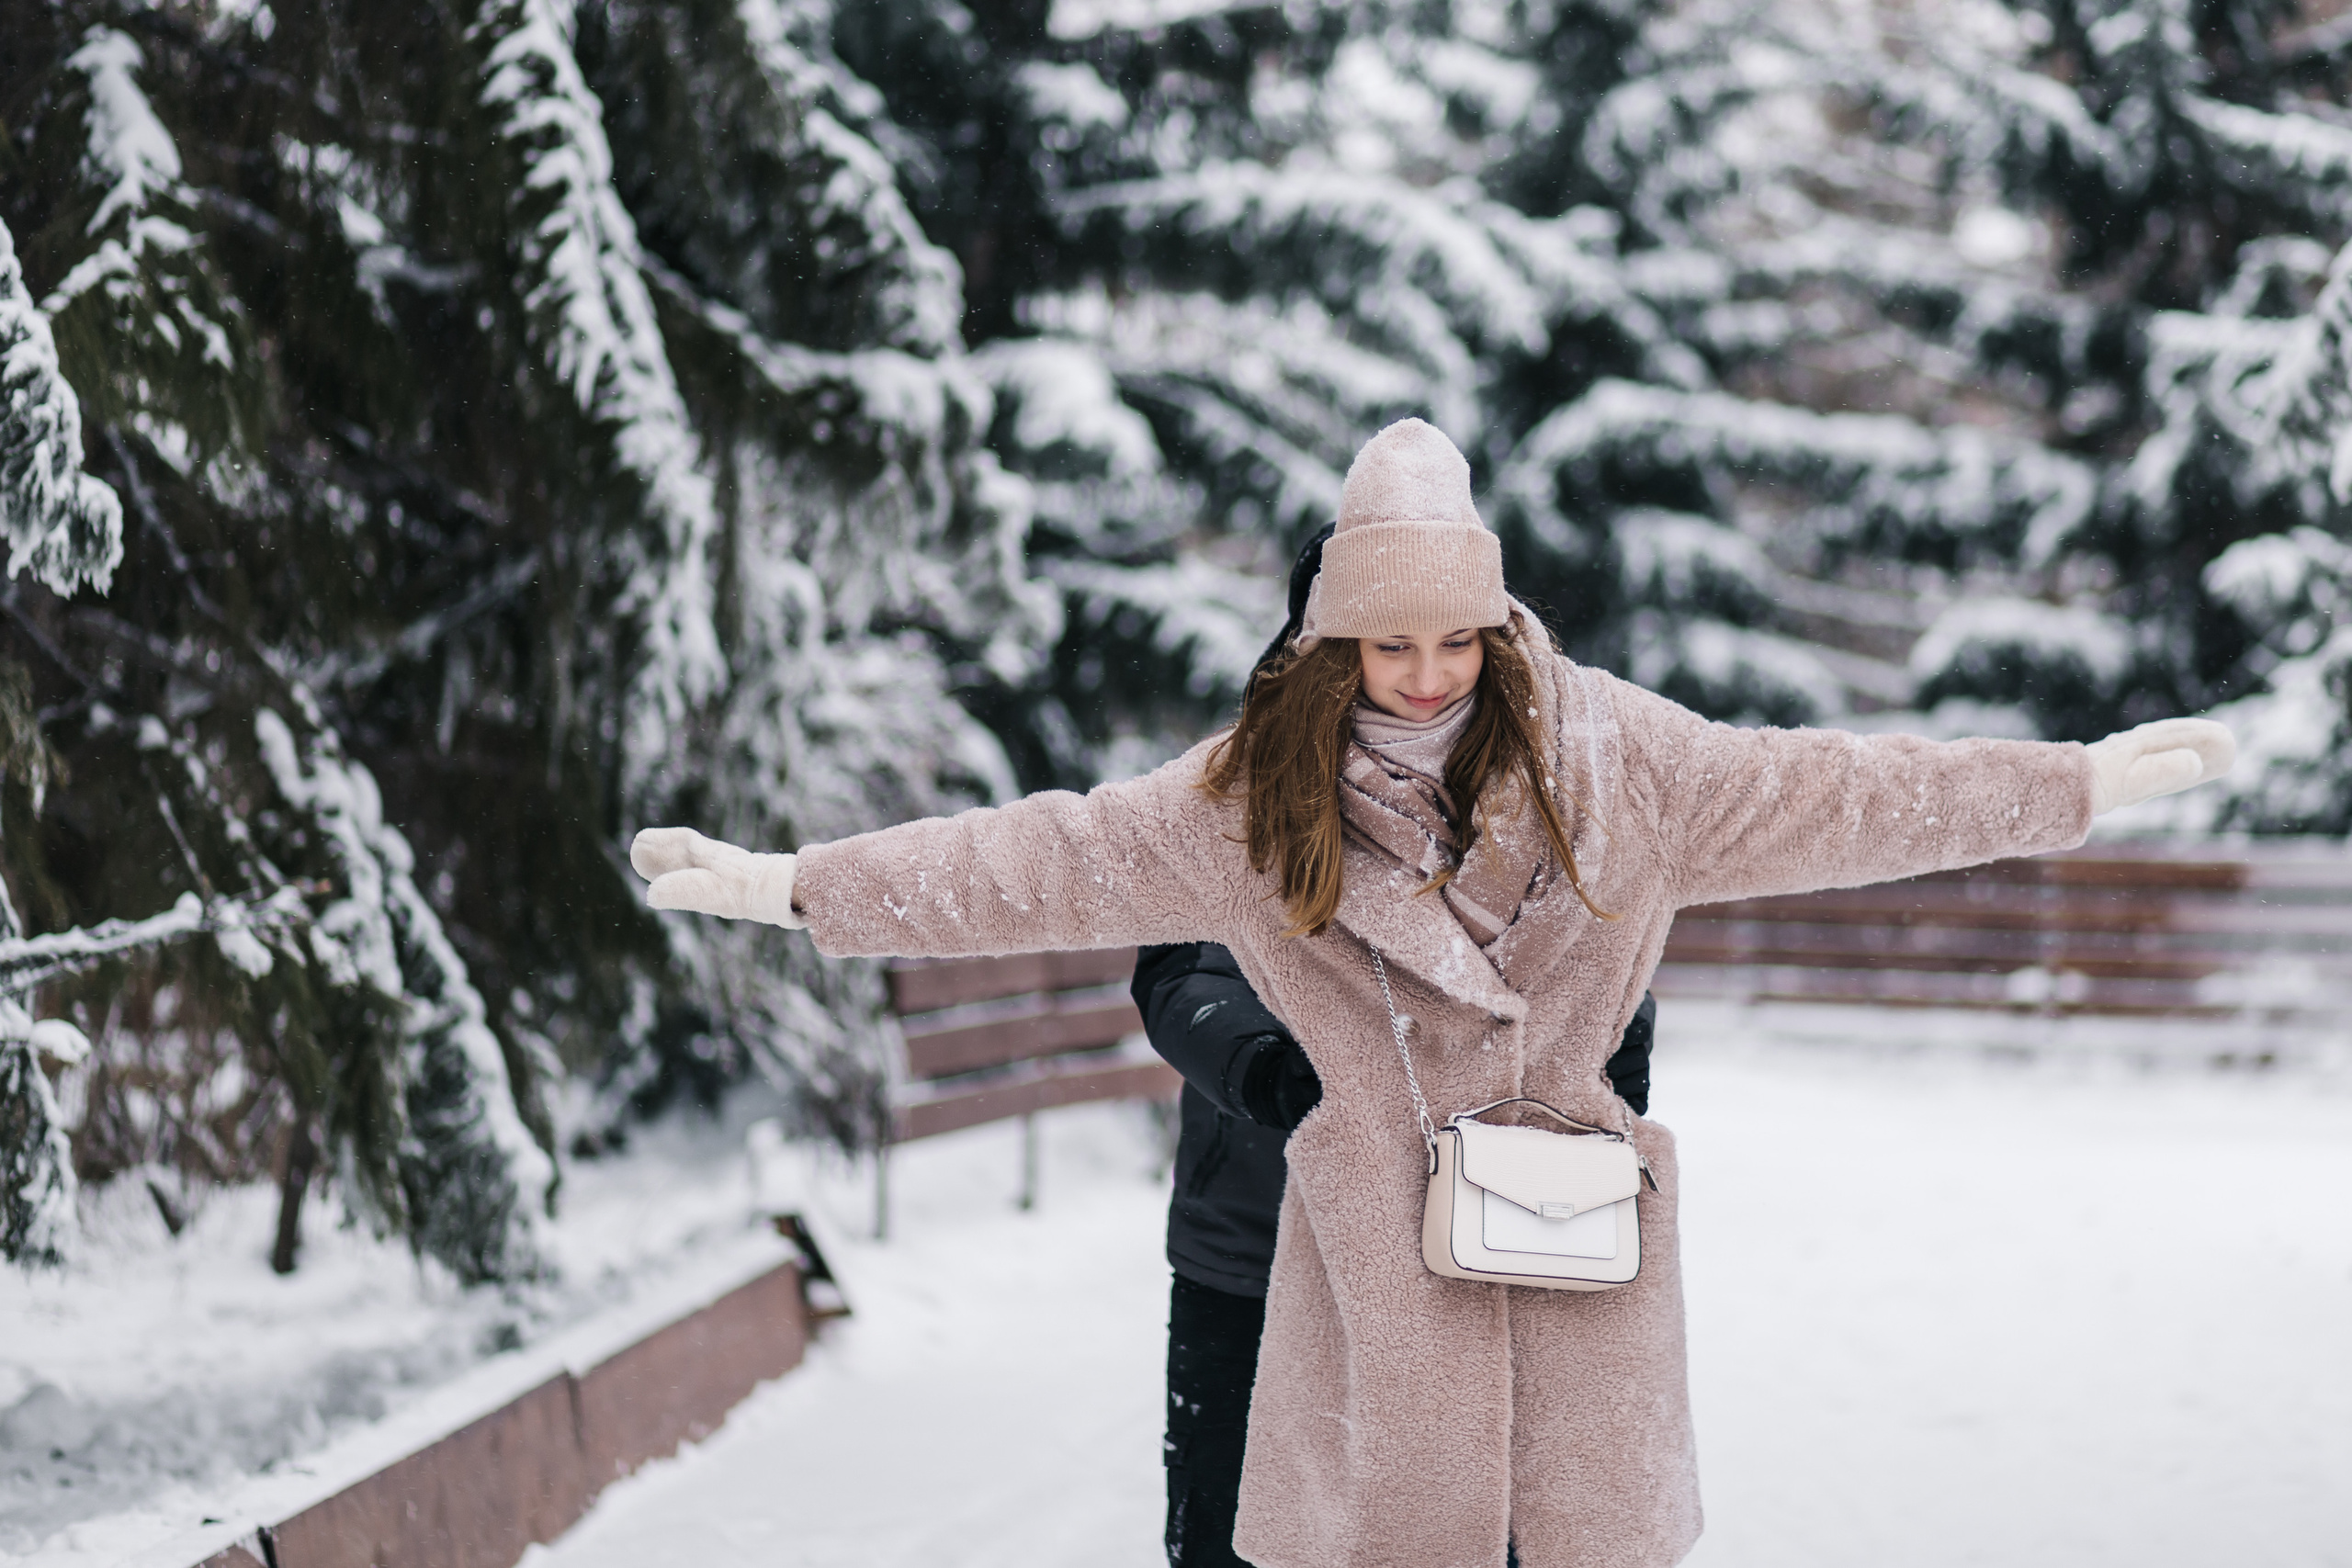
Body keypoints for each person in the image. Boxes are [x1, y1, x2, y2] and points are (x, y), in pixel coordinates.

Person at [632, 419, 2233, 1568]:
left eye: (1450, 638)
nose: (1422, 676)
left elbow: (1844, 791)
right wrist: (799, 885)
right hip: (1367, 1282)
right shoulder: (1250, 800)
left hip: (1571, 1253)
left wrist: (2068, 784)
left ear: (1492, 617)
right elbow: (1041, 860)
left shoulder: (1626, 758)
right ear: (1335, 636)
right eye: (1386, 643)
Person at [1136, 529, 1658, 1568]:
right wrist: (1276, 1073)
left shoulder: (1530, 781)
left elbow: (1602, 950)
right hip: (1259, 1240)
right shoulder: (1234, 792)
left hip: (1479, 1245)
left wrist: (1599, 1076)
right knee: (1236, 1536)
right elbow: (1180, 973)